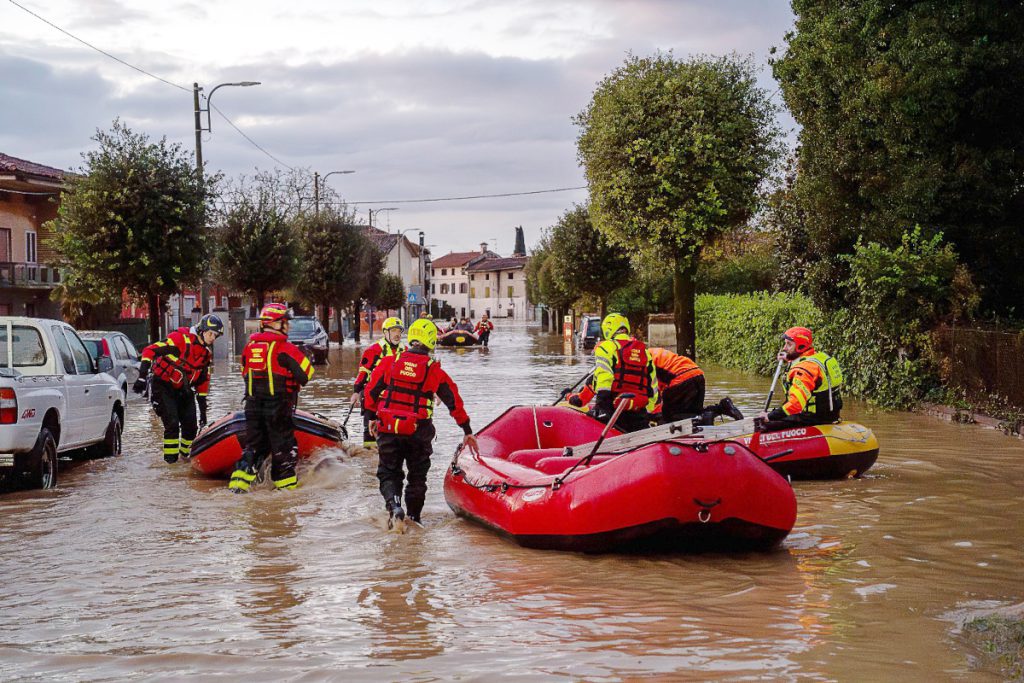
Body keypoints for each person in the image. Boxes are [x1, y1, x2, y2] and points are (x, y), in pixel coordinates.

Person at [364, 318, 479, 528]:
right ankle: (414, 519)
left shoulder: (391, 362)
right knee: (417, 478)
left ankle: (394, 506)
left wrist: (371, 417)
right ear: (430, 341)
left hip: (389, 429)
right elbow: (453, 401)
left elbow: (370, 392)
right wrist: (467, 430)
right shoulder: (433, 369)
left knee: (389, 472)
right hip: (419, 431)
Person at [228, 303, 315, 493]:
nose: (288, 326)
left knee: (253, 449)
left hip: (252, 407)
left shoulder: (249, 347)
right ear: (275, 324)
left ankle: (237, 489)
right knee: (284, 451)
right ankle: (286, 499)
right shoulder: (285, 348)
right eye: (285, 322)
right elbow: (306, 375)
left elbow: (245, 373)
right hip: (278, 407)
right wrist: (307, 355)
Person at [134, 314, 224, 463]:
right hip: (162, 386)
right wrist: (142, 376)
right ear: (202, 330)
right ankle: (171, 464)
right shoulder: (179, 340)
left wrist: (203, 414)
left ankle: (186, 459)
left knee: (191, 427)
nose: (213, 338)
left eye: (216, 336)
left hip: (184, 389)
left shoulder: (206, 354)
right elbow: (149, 350)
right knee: (172, 424)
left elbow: (202, 383)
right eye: (210, 334)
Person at [573, 313, 658, 433]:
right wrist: (648, 412)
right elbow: (653, 385)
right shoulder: (644, 351)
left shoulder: (606, 347)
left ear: (608, 328)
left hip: (614, 409)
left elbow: (604, 376)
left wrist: (602, 408)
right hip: (639, 411)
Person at [758, 326, 843, 431]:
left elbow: (796, 404)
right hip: (830, 414)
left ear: (801, 347)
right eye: (785, 343)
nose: (784, 348)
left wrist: (770, 416)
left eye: (789, 344)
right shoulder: (819, 357)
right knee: (776, 415)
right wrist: (788, 358)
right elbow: (802, 360)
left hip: (812, 418)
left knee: (763, 425)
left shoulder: (805, 370)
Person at [350, 317, 406, 449]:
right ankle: (369, 456)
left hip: (392, 398)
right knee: (370, 430)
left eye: (399, 331)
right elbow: (363, 373)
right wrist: (356, 392)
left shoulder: (405, 350)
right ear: (385, 332)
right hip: (372, 395)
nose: (397, 334)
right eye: (393, 331)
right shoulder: (374, 350)